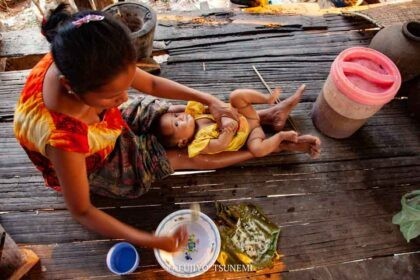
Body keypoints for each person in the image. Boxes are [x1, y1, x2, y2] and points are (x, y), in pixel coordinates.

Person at [13, 4, 321, 254]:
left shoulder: (83, 56)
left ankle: (265, 118)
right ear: (70, 87)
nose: (124, 99)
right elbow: (81, 210)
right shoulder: (64, 139)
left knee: (174, 116)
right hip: (95, 162)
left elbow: (151, 83)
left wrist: (209, 99)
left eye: (125, 85)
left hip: (105, 125)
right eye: (111, 95)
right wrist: (150, 240)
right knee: (178, 154)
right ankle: (270, 148)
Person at [156, 87, 315, 158]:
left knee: (236, 96)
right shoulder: (198, 143)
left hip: (244, 115)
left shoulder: (193, 113)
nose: (180, 117)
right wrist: (228, 130)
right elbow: (220, 144)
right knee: (257, 150)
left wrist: (221, 113)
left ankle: (267, 99)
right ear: (182, 142)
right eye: (177, 124)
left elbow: (213, 108)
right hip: (249, 134)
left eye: (176, 116)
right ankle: (280, 137)